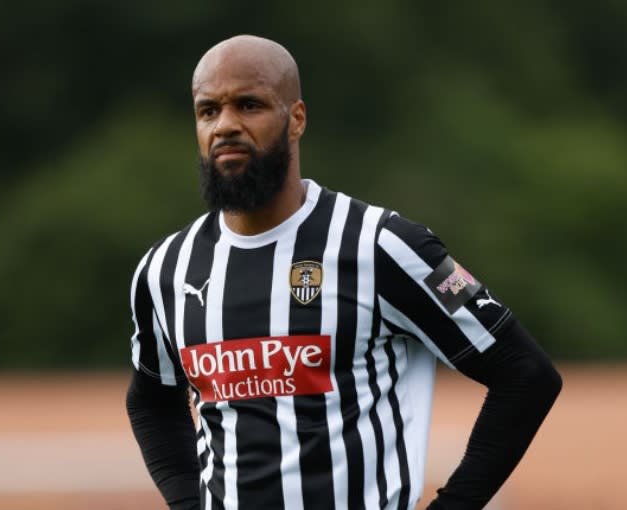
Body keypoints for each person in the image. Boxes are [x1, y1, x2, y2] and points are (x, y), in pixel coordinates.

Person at [126, 34, 562, 510]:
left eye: (249, 105)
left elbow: (525, 374)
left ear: (296, 119)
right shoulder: (165, 269)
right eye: (208, 111)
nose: (226, 125)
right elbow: (151, 400)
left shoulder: (383, 246)